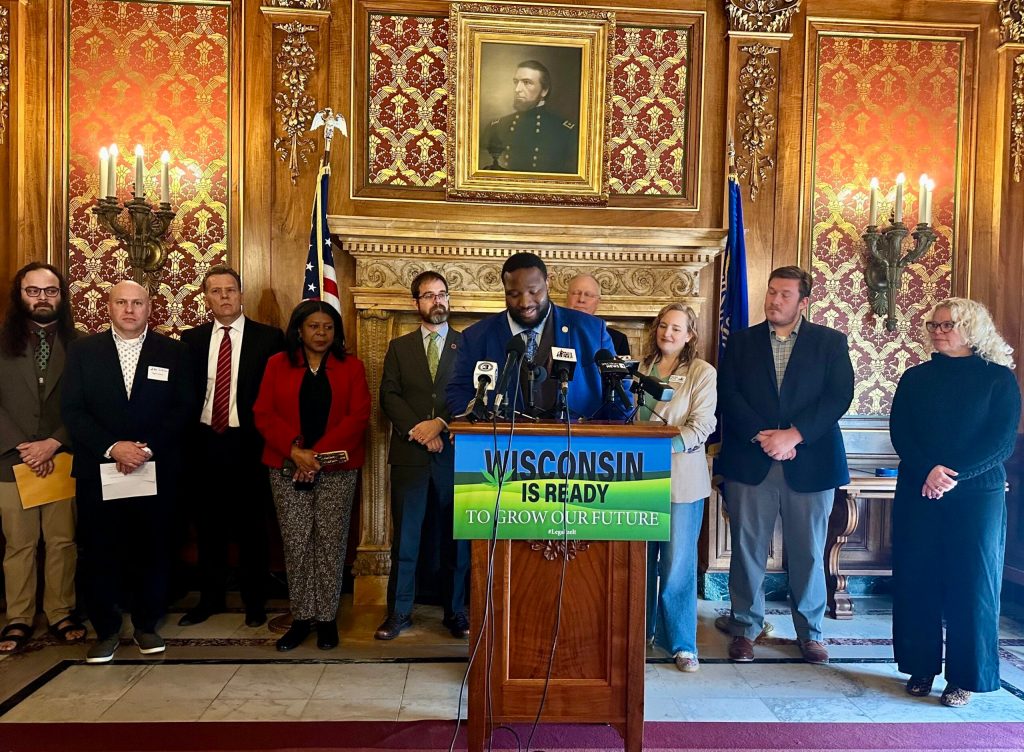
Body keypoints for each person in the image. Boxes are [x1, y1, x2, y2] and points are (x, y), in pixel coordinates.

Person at [716, 266, 854, 665]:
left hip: (811, 461)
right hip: (751, 457)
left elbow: (838, 395)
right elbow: (730, 394)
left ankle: (810, 633)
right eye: (771, 292)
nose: (775, 301)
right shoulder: (741, 343)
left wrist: (794, 435)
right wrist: (764, 435)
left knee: (809, 551)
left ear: (802, 301)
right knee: (747, 550)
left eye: (785, 295)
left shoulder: (829, 342)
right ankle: (745, 628)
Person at [890, 298, 1020, 708]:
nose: (938, 331)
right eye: (934, 324)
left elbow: (1000, 442)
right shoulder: (915, 378)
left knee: (973, 584)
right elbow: (901, 433)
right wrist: (929, 470)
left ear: (972, 329)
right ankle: (920, 666)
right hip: (919, 487)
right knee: (917, 578)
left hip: (976, 495)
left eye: (947, 324)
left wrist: (952, 474)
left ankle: (966, 676)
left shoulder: (999, 380)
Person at [62, 280, 195, 663]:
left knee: (151, 548)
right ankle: (105, 630)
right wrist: (112, 447)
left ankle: (146, 625)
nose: (130, 310)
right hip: (99, 469)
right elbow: (72, 410)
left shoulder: (174, 352)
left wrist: (144, 449)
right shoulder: (83, 351)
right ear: (109, 306)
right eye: (122, 302)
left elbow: (183, 407)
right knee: (101, 549)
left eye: (137, 302)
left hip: (154, 469)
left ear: (150, 307)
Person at [253, 301, 370, 652]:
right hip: (286, 466)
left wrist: (315, 457)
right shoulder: (277, 364)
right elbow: (263, 413)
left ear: (336, 332)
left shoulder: (352, 367)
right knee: (298, 541)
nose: (321, 333)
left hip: (336, 469)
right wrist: (296, 452)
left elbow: (359, 416)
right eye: (314, 327)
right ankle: (302, 618)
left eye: (328, 327)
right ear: (299, 331)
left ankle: (327, 618)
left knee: (331, 544)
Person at [178, 265, 284, 628]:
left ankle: (255, 602)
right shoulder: (190, 340)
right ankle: (209, 599)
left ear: (241, 294)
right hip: (205, 442)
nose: (224, 296)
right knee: (209, 527)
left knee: (252, 528)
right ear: (206, 297)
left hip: (250, 444)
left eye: (230, 290)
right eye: (216, 291)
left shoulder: (269, 339)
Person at [375, 271, 470, 641]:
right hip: (411, 456)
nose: (437, 301)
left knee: (456, 540)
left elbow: (475, 395)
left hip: (454, 456)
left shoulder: (468, 346)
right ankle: (398, 613)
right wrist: (420, 430)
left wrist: (441, 424)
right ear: (416, 303)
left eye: (442, 294)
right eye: (428, 295)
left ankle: (456, 613)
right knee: (407, 540)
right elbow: (389, 395)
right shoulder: (399, 347)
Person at [0, 263, 84, 654]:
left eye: (50, 292)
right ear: (20, 296)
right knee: (19, 544)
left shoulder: (81, 345)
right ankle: (18, 617)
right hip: (10, 461)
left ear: (61, 297)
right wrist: (23, 445)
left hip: (61, 458)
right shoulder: (1, 342)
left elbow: (86, 403)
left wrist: (53, 442)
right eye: (33, 291)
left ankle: (60, 612)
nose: (42, 299)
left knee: (62, 541)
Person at [446, 252, 615, 421]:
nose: (525, 303)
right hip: (501, 444)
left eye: (533, 292)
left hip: (579, 444)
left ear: (548, 283)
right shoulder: (476, 336)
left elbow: (617, 390)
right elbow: (459, 391)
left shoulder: (592, 330)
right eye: (514, 294)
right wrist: (467, 426)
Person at [640, 304, 716, 673]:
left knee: (675, 567)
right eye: (663, 326)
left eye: (676, 328)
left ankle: (683, 644)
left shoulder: (702, 372)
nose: (668, 333)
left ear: (689, 336)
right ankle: (639, 636)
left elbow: (701, 427)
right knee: (638, 566)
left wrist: (662, 445)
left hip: (682, 483)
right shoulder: (640, 369)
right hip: (637, 483)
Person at [481, 60, 578, 174]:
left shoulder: (565, 131)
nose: (517, 89)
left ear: (544, 91)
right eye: (516, 82)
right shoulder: (496, 126)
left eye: (527, 82)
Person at [565, 273, 630, 356]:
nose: (581, 299)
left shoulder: (618, 339)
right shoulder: (551, 330)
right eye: (576, 293)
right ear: (567, 297)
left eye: (588, 295)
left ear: (598, 302)